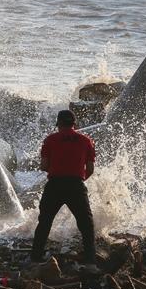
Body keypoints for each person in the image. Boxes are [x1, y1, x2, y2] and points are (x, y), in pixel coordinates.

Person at [29, 109, 96, 266]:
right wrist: (78, 178)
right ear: (75, 124)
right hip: (76, 185)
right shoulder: (86, 140)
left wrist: (57, 170)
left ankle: (35, 258)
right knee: (86, 224)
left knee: (45, 222)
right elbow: (90, 169)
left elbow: (44, 165)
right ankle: (90, 261)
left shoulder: (50, 140)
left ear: (58, 124)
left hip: (55, 184)